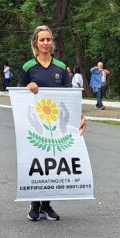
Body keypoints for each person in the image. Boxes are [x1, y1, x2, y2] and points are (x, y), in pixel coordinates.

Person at [19, 25, 86, 222]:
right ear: (35, 43)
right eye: (42, 40)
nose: (46, 43)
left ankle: (46, 205)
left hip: (57, 124)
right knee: (37, 161)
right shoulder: (28, 67)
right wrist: (28, 88)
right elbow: (19, 95)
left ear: (52, 43)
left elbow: (69, 98)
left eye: (48, 39)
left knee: (52, 162)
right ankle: (34, 204)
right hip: (36, 123)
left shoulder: (60, 67)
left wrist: (80, 117)